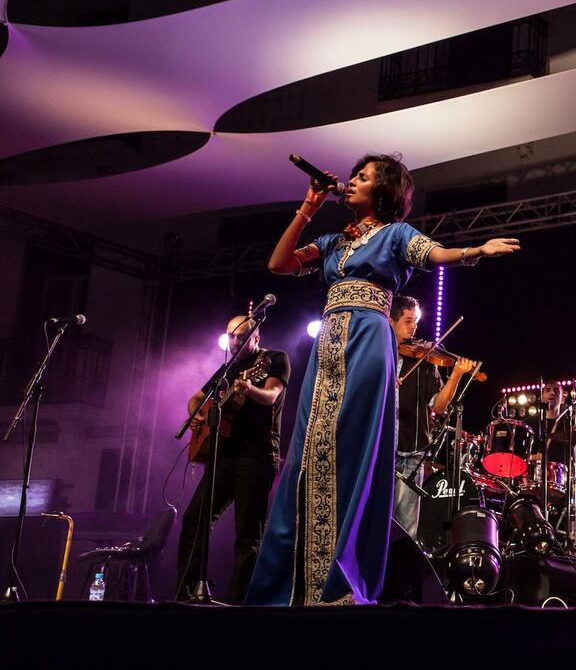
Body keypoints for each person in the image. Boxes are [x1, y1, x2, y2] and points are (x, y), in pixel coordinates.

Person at [246, 152, 519, 605]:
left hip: (369, 339)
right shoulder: (334, 241)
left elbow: (437, 253)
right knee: (309, 451)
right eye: (353, 175)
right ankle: (292, 582)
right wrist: (309, 206)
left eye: (363, 177)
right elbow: (279, 264)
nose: (351, 181)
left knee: (352, 446)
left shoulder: (395, 234)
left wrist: (476, 250)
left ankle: (339, 583)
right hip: (329, 340)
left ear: (384, 190)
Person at [178, 315, 290, 603]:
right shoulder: (227, 368)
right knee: (194, 520)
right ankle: (185, 593)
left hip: (257, 455)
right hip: (223, 456)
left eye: (243, 336)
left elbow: (272, 396)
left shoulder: (274, 359)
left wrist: (250, 389)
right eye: (232, 336)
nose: (236, 341)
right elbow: (196, 398)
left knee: (247, 535)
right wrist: (198, 415)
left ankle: (240, 602)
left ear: (256, 337)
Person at [389, 295, 475, 538]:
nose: (414, 328)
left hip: (412, 449)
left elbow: (437, 406)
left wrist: (456, 374)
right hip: (380, 448)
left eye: (416, 322)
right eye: (408, 321)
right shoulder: (378, 355)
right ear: (391, 320)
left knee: (406, 526)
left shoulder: (426, 362)